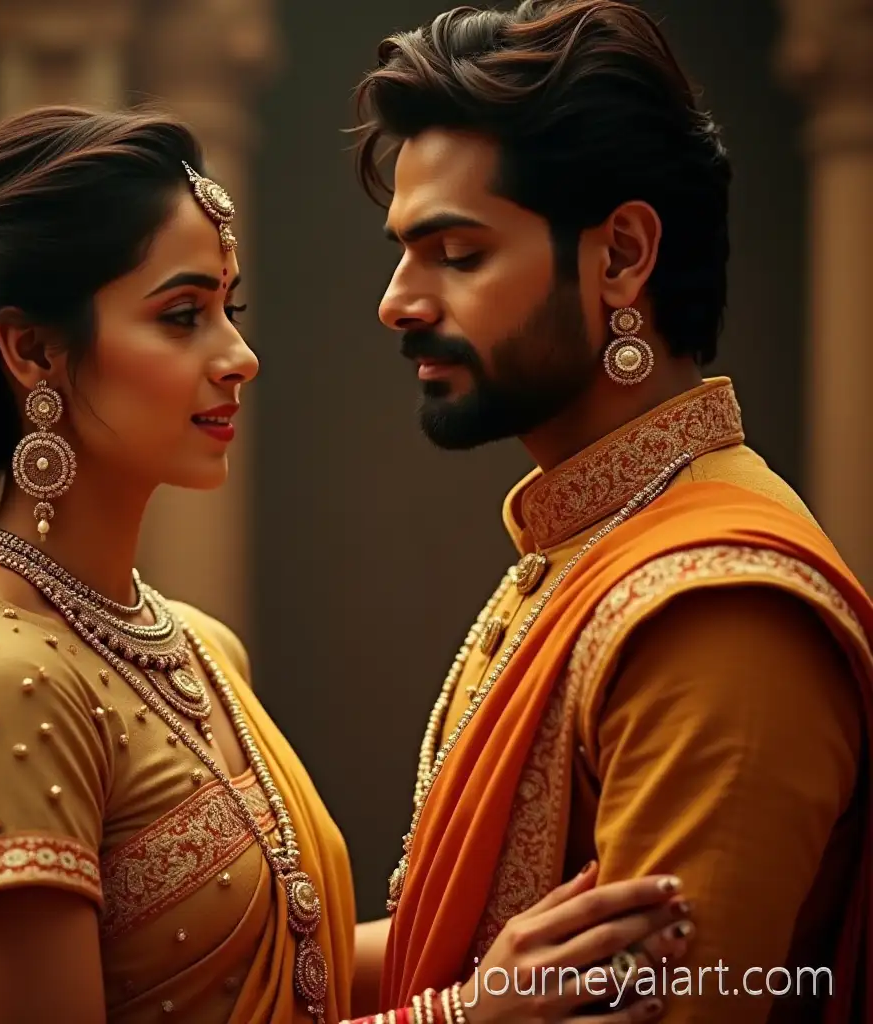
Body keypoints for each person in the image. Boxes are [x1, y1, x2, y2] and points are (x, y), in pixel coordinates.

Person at [0, 107, 694, 1024]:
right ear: (34, 350)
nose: (240, 357)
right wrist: (460, 1017)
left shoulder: (195, 645)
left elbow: (298, 974)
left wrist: (526, 944)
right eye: (183, 316)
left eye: (231, 309)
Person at [352, 2, 873, 1023]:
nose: (398, 301)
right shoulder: (593, 538)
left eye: (456, 253)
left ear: (622, 257)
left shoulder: (718, 612)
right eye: (406, 252)